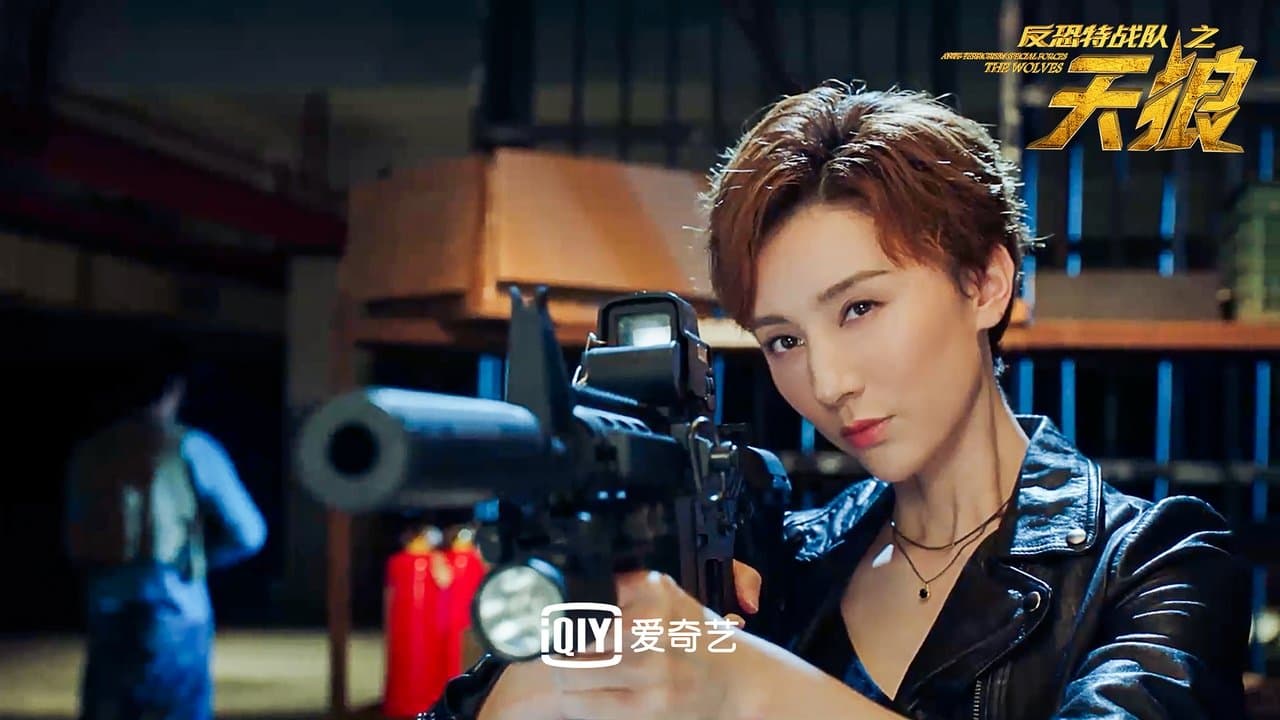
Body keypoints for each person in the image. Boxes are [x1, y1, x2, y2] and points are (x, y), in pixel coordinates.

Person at [422, 82, 1250, 719]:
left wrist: (743, 684)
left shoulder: (1156, 563)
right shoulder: (783, 567)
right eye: (784, 340)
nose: (826, 383)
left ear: (986, 283)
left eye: (859, 308)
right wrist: (539, 670)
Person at [65, 343, 267, 720]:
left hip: (107, 608)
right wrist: (203, 558)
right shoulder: (191, 446)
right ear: (174, 391)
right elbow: (250, 533)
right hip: (176, 608)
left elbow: (75, 537)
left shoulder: (90, 453)